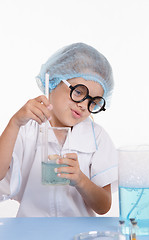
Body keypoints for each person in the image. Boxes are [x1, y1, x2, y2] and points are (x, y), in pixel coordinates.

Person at [0, 42, 118, 217]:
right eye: (78, 92)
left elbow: (103, 206)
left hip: (78, 233)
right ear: (53, 82)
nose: (84, 106)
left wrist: (80, 180)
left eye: (93, 102)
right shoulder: (26, 129)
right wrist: (15, 123)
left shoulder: (97, 137)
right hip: (31, 231)